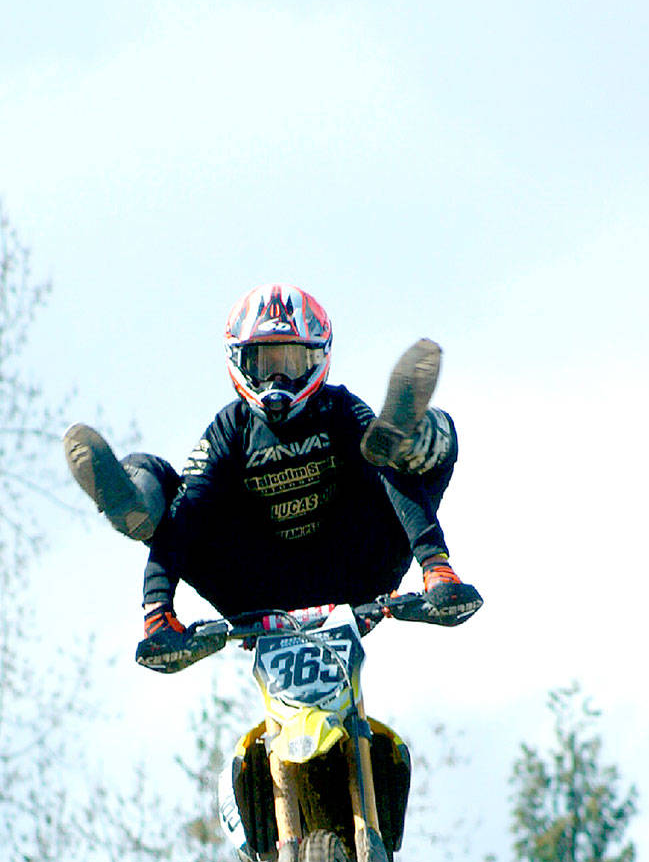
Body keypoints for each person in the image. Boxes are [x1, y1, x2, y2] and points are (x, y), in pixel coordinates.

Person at [63, 283, 482, 672]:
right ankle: (133, 502)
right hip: (254, 588)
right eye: (264, 362)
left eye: (291, 361)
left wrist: (435, 565)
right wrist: (157, 611)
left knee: (401, 446)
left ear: (317, 358)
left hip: (358, 569)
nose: (277, 378)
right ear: (240, 363)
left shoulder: (339, 408)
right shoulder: (231, 427)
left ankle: (412, 437)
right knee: (164, 485)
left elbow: (389, 474)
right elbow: (187, 513)